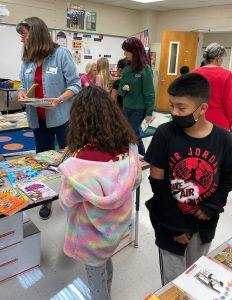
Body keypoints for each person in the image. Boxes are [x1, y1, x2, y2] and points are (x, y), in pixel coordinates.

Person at [144, 73, 232, 286]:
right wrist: (174, 226)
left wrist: (212, 206)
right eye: (171, 105)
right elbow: (157, 182)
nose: (174, 112)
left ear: (202, 108)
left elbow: (229, 174)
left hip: (203, 221)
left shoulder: (223, 139)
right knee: (173, 281)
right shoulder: (165, 134)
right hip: (170, 223)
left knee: (198, 276)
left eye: (181, 107)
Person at [58, 86, 142, 300]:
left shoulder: (79, 160)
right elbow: (136, 180)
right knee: (105, 261)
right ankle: (108, 290)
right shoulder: (127, 148)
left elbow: (66, 201)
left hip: (90, 233)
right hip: (115, 226)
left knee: (94, 277)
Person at [16, 17, 81, 220]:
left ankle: (74, 195)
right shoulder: (27, 59)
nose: (21, 40)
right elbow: (22, 84)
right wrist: (20, 92)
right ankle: (47, 200)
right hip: (38, 118)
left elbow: (75, 85)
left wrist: (59, 99)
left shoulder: (61, 55)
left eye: (23, 36)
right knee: (42, 160)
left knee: (69, 158)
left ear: (35, 34)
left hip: (62, 117)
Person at [118, 37, 155, 156]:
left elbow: (149, 92)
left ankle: (132, 157)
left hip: (139, 110)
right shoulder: (127, 70)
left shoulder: (146, 70)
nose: (125, 54)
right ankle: (142, 156)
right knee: (135, 134)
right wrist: (123, 89)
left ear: (135, 51)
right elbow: (120, 91)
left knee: (129, 134)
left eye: (127, 51)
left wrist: (149, 112)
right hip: (126, 107)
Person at [192, 43, 232, 133]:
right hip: (219, 120)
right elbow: (228, 101)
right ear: (218, 57)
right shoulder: (226, 74)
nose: (222, 60)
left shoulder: (194, 73)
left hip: (198, 117)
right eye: (222, 57)